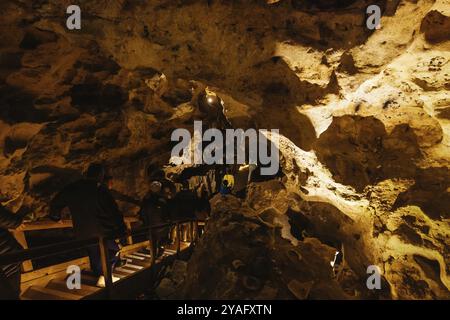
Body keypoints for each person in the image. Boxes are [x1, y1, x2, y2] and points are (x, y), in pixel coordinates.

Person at [49, 163, 126, 287]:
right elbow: (113, 213)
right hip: (103, 231)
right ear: (101, 175)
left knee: (94, 252)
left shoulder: (73, 188)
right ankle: (105, 276)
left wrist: (55, 217)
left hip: (82, 231)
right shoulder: (100, 190)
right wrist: (122, 230)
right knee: (114, 249)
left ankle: (100, 275)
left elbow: (56, 202)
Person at [139, 181, 170, 260]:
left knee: (153, 241)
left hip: (151, 225)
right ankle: (159, 252)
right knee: (161, 239)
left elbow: (142, 211)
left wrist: (145, 221)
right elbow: (166, 212)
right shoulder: (162, 200)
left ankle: (154, 257)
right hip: (160, 225)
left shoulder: (146, 199)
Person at [0, 204, 25, 299]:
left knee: (12, 294)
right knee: (12, 294)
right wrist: (16, 222)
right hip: (8, 260)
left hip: (9, 259)